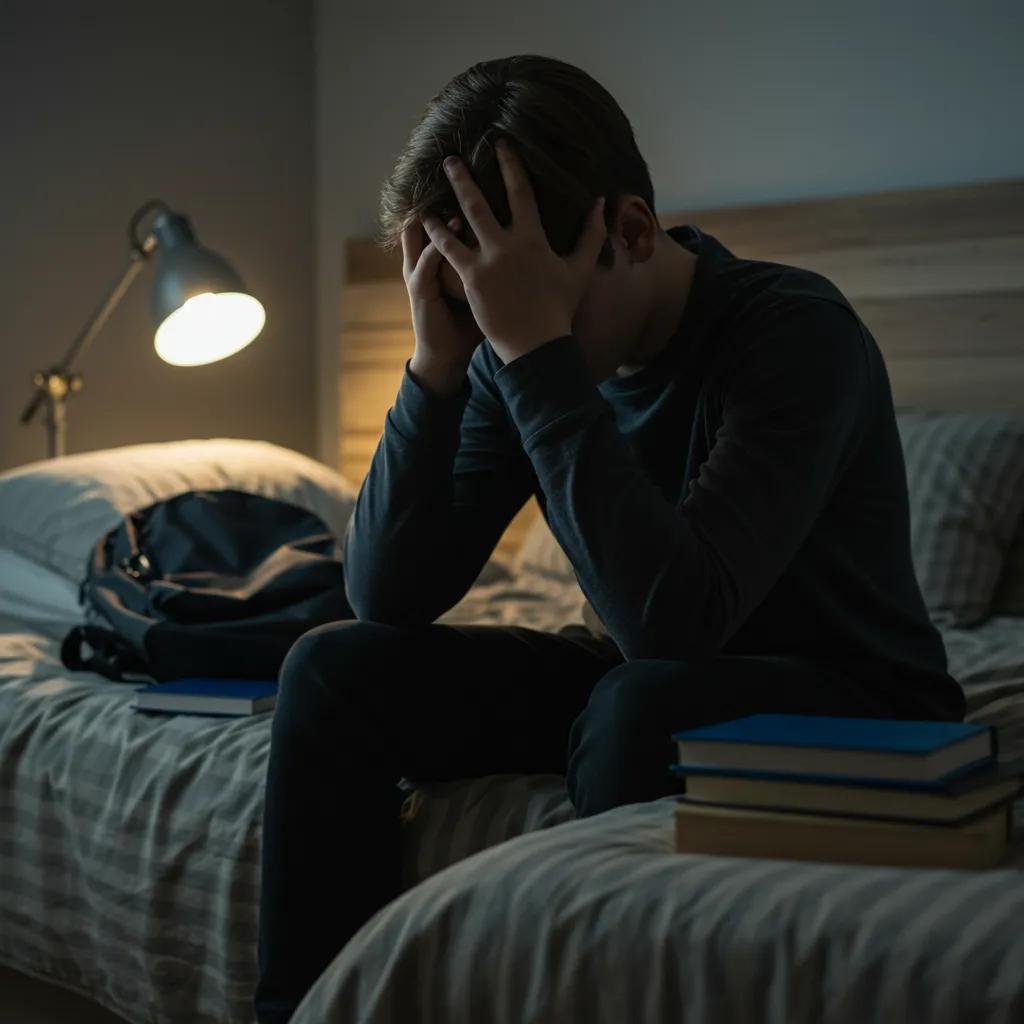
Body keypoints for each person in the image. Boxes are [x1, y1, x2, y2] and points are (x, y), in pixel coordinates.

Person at [253, 54, 965, 1023]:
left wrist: (538, 355)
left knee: (636, 707)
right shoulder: (519, 353)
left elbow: (675, 621)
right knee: (330, 670)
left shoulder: (795, 335)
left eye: (520, 302)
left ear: (629, 231)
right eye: (476, 299)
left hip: (853, 694)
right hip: (648, 670)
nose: (503, 330)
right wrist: (434, 366)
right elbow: (387, 592)